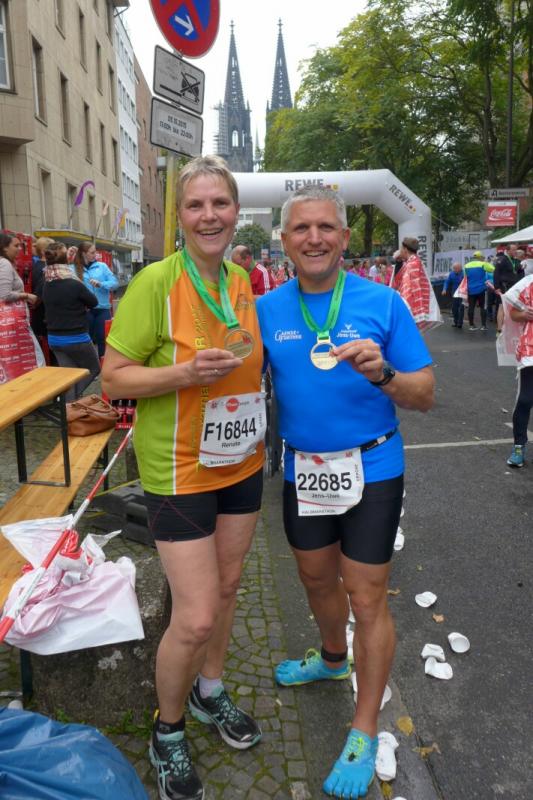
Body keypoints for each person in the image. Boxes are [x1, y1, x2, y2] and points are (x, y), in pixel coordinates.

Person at [256, 187, 434, 799]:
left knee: (366, 593)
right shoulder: (265, 309)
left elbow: (425, 394)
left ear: (345, 237)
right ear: (285, 241)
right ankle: (333, 658)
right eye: (302, 228)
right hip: (304, 469)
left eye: (326, 227)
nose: (315, 238)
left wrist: (383, 372)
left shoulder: (382, 302)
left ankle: (363, 727)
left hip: (373, 466)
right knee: (314, 579)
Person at [102, 155, 265, 800]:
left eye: (219, 203)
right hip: (179, 468)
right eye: (195, 205)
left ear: (235, 211)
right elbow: (112, 378)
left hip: (242, 460)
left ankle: (209, 691)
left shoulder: (241, 279)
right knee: (195, 617)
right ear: (179, 216)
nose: (209, 216)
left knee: (226, 588)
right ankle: (166, 730)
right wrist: (183, 374)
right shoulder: (155, 282)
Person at [42, 243, 100, 401]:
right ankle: (69, 401)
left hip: (54, 339)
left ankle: (68, 406)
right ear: (66, 262)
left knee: (70, 374)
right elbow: (93, 302)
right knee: (93, 368)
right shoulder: (74, 284)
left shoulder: (47, 283)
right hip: (76, 338)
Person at [502, 272, 533, 468]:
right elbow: (513, 312)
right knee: (525, 399)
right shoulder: (529, 283)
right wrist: (524, 315)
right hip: (530, 349)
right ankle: (519, 446)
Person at [73, 243, 118, 357]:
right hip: (85, 310)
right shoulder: (73, 268)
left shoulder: (102, 266)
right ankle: (89, 364)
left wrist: (101, 284)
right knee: (86, 340)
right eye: (92, 252)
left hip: (102, 309)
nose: (95, 254)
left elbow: (114, 283)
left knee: (103, 338)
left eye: (96, 252)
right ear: (83, 254)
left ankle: (103, 363)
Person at [494, 244, 525, 334]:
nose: (516, 251)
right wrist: (497, 287)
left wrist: (522, 268)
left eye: (516, 250)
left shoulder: (515, 260)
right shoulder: (502, 260)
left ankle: (511, 328)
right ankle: (499, 329)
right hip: (504, 286)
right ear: (508, 251)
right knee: (502, 306)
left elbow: (519, 272)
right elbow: (496, 273)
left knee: (513, 306)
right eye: (514, 250)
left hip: (514, 287)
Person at [463, 250, 494, 331]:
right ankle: (483, 326)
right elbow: (492, 269)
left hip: (470, 289)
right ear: (480, 257)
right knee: (483, 307)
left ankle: (471, 325)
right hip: (482, 289)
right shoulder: (483, 264)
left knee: (471, 307)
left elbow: (465, 276)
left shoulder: (466, 265)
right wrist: (486, 262)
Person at [30, 236, 54, 340]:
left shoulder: (38, 265)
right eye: (52, 249)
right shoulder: (44, 267)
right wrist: (36, 302)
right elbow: (40, 290)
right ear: (44, 252)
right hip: (42, 311)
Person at [442, 262, 465, 328]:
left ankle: (460, 323)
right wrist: (444, 289)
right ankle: (456, 322)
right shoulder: (452, 274)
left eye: (456, 268)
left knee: (461, 308)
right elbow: (447, 282)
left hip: (462, 293)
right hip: (454, 293)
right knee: (454, 308)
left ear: (460, 268)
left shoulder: (464, 274)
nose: (454, 270)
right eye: (454, 268)